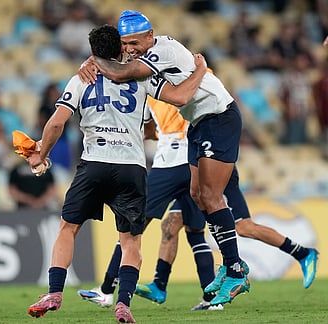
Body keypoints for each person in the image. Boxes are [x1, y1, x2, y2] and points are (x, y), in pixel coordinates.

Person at [26, 24, 207, 323]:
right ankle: (123, 304)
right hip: (131, 168)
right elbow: (177, 99)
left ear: (93, 52)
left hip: (93, 164)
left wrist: (40, 155)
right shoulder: (143, 78)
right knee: (131, 241)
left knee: (68, 229)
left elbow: (57, 123)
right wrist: (201, 70)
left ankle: (54, 293)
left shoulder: (81, 79)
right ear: (122, 48)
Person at [79, 10, 249, 306]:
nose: (129, 49)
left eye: (134, 42)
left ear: (150, 35)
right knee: (198, 196)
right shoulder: (143, 51)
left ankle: (235, 269)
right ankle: (230, 266)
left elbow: (126, 76)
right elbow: (118, 63)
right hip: (198, 123)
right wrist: (92, 61)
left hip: (219, 117)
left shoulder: (164, 51)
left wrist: (93, 61)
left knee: (210, 197)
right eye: (125, 44)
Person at [78, 97, 220, 311]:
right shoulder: (189, 85)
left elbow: (145, 127)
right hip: (194, 162)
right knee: (196, 232)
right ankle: (212, 300)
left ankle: (106, 290)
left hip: (169, 163)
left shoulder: (153, 92)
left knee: (133, 226)